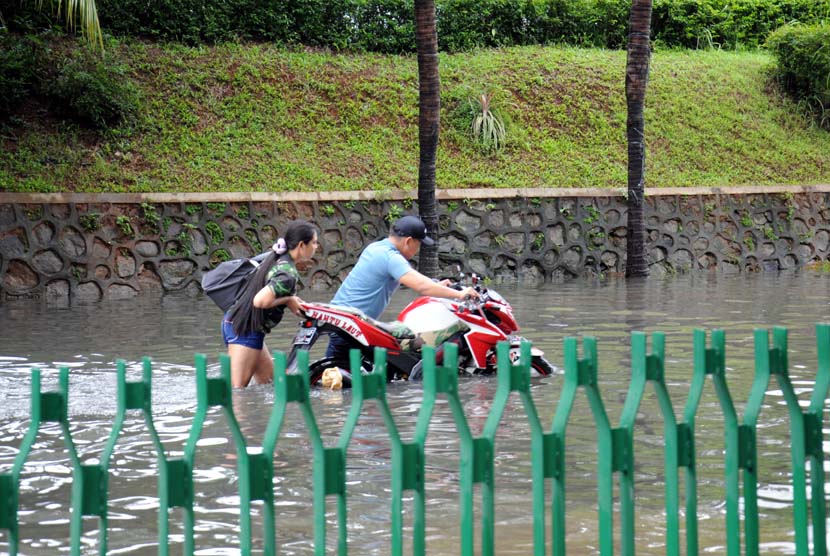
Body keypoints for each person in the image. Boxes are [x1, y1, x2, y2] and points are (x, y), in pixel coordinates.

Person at [326, 215, 478, 359]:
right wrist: (459, 294)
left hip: (343, 318)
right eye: (418, 245)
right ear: (409, 241)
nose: (418, 250)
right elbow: (422, 287)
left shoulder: (376, 248)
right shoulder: (391, 258)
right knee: (340, 377)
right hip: (352, 324)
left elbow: (413, 278)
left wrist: (436, 285)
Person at [223, 220, 319, 388]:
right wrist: (289, 300)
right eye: (314, 242)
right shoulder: (287, 273)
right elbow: (259, 301)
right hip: (245, 330)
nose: (317, 247)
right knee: (237, 394)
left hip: (238, 324)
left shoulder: (277, 259)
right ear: (302, 245)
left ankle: (264, 414)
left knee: (271, 385)